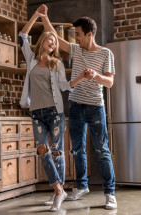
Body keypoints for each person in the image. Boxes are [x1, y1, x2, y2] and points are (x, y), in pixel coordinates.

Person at [39, 4, 117, 210]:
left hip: (95, 107)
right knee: (77, 150)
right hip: (75, 106)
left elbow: (109, 82)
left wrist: (96, 76)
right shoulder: (76, 49)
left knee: (102, 150)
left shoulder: (106, 54)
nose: (76, 38)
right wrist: (44, 17)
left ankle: (110, 193)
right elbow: (55, 36)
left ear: (89, 34)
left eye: (79, 34)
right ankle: (82, 186)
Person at [19, 7, 87, 212]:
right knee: (42, 150)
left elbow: (64, 87)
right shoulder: (31, 59)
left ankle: (58, 191)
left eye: (56, 41)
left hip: (55, 113)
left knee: (57, 152)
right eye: (51, 39)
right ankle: (59, 189)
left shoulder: (56, 63)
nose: (54, 43)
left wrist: (81, 77)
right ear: (42, 41)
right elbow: (22, 35)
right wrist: (37, 16)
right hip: (37, 112)